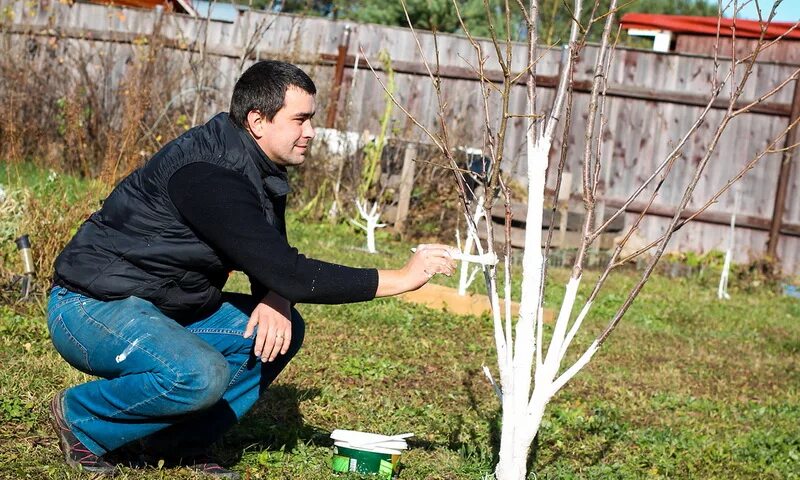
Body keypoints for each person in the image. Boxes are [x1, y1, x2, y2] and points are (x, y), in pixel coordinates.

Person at [47, 60, 456, 478]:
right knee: (200, 374)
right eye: (300, 119)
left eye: (310, 119)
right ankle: (80, 417)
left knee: (281, 326)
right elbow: (293, 272)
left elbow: (267, 254)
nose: (310, 132)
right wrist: (402, 278)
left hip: (164, 308)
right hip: (92, 307)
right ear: (257, 120)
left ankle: (177, 444)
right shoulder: (208, 174)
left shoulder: (258, 165)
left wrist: (273, 294)